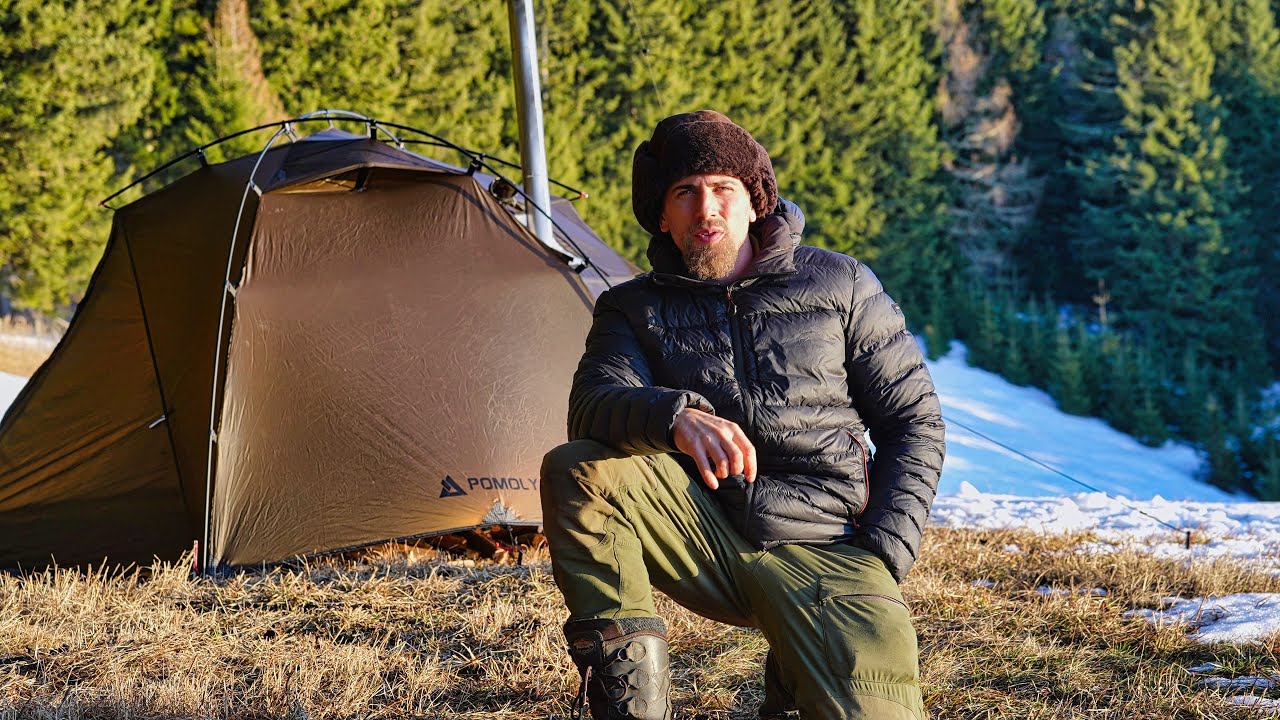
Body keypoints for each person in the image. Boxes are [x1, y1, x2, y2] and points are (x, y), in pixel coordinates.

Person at [540, 110, 945, 720]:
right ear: (661, 215)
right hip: (705, 531)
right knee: (580, 468)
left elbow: (914, 423)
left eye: (724, 188)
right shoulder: (631, 308)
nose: (707, 208)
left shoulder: (840, 284)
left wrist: (884, 553)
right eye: (685, 193)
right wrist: (673, 415)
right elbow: (592, 406)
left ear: (754, 202)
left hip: (828, 546)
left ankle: (796, 667)